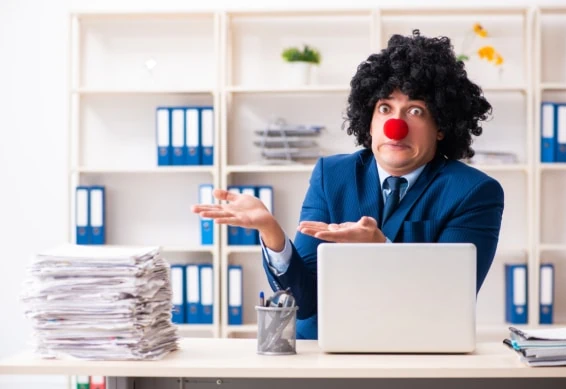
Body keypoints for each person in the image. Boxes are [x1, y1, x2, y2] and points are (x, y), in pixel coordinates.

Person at [191, 30, 504, 340]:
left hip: (413, 352)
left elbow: (449, 300)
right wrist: (271, 232)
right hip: (322, 352)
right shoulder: (332, 174)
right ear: (368, 118)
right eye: (385, 108)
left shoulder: (474, 192)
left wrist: (382, 250)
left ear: (442, 126)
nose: (396, 127)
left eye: (416, 111)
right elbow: (306, 300)